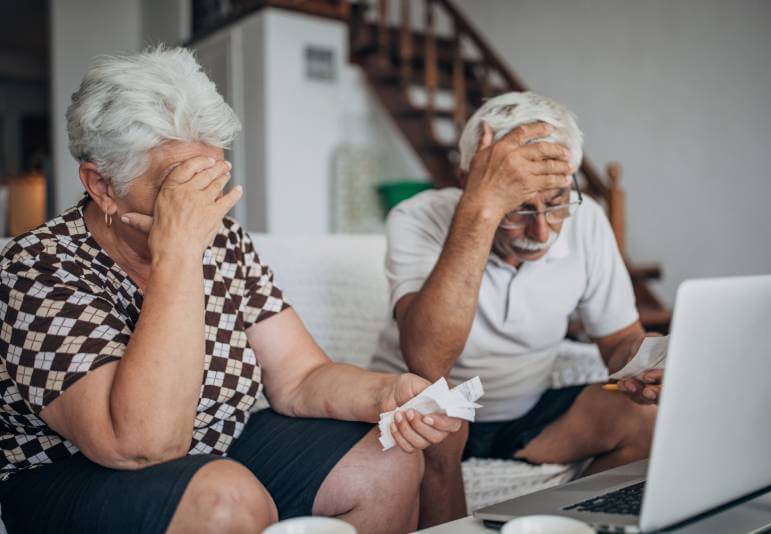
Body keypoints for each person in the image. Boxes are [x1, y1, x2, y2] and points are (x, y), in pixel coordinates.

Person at [0, 46, 464, 534]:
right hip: (70, 477)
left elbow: (300, 377)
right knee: (227, 497)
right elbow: (138, 443)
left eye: (212, 180)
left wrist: (388, 391)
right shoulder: (35, 268)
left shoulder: (223, 240)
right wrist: (177, 256)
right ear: (102, 185)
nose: (204, 207)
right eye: (179, 187)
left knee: (387, 458)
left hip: (217, 449)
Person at [371, 91, 662, 527]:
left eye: (557, 200)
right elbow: (428, 359)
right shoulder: (417, 218)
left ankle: (549, 526)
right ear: (472, 182)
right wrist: (480, 211)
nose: (541, 230)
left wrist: (646, 366)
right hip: (426, 416)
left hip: (527, 415)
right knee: (442, 407)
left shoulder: (588, 220)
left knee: (648, 420)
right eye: (519, 208)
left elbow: (620, 340)